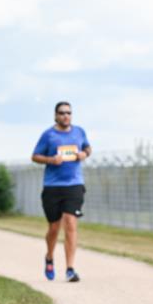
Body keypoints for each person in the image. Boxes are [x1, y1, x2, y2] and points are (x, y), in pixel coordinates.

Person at [31, 102, 91, 282]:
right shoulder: (48, 135)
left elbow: (87, 148)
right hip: (52, 186)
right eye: (62, 113)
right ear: (55, 115)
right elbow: (35, 156)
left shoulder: (79, 132)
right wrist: (51, 159)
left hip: (74, 184)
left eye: (69, 113)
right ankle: (49, 256)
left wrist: (84, 154)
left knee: (71, 223)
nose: (66, 116)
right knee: (54, 228)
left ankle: (70, 269)